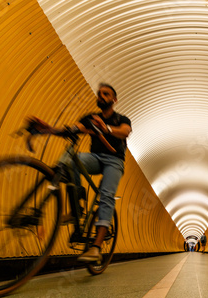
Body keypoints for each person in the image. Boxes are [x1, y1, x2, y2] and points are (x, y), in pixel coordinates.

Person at [28, 83, 131, 262]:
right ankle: (78, 208)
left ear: (114, 100)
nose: (101, 96)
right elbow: (72, 129)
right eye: (99, 94)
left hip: (114, 161)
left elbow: (124, 132)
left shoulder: (121, 119)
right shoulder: (90, 118)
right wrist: (47, 129)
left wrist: (106, 128)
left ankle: (96, 248)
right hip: (96, 157)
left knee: (106, 195)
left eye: (106, 94)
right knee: (70, 161)